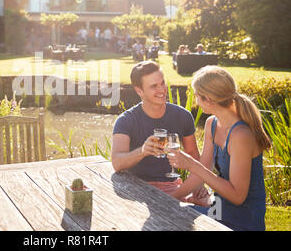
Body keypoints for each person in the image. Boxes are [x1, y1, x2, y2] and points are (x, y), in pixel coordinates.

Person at [167, 66, 271, 231]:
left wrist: (191, 164)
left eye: (196, 96)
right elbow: (203, 171)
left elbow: (237, 197)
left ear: (208, 99)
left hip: (244, 221)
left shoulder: (241, 135)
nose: (196, 101)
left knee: (173, 220)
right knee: (171, 211)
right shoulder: (212, 124)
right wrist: (171, 197)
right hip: (220, 210)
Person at [112, 61, 210, 206]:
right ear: (139, 91)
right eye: (153, 86)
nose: (162, 90)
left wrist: (198, 183)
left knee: (210, 204)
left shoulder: (182, 115)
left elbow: (193, 153)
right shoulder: (126, 120)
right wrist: (143, 151)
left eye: (162, 83)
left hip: (171, 185)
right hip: (137, 188)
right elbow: (117, 163)